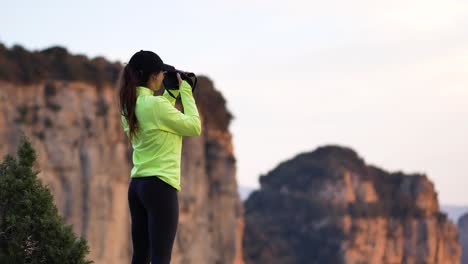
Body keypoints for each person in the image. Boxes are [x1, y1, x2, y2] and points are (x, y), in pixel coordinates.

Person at [119, 50, 201, 264]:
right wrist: (186, 91)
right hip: (160, 187)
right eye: (162, 73)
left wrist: (171, 95)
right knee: (161, 258)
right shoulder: (155, 106)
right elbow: (194, 126)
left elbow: (157, 118)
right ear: (153, 75)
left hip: (137, 187)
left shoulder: (128, 105)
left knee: (140, 256)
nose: (164, 77)